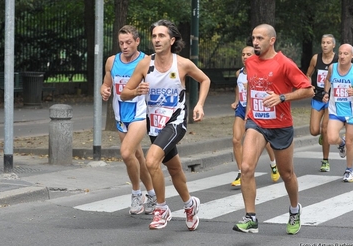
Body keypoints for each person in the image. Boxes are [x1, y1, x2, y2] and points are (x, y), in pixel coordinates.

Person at [121, 19, 210, 230]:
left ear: (172, 40)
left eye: (161, 36)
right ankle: (190, 204)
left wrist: (199, 105)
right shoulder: (145, 64)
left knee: (152, 161)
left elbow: (205, 80)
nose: (156, 40)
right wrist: (136, 92)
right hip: (155, 124)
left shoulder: (182, 64)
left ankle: (161, 208)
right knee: (174, 168)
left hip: (175, 120)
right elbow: (124, 93)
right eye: (154, 36)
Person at [232, 24, 314, 235]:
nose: (255, 42)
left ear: (272, 40)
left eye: (260, 38)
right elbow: (251, 85)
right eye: (253, 38)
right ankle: (251, 217)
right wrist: (249, 109)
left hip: (281, 126)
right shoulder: (250, 62)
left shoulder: (284, 63)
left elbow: (308, 89)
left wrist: (282, 97)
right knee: (247, 167)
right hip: (256, 123)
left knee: (287, 174)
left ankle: (294, 210)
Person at [100, 25, 156, 215]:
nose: (124, 46)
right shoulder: (111, 61)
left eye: (129, 42)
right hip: (121, 114)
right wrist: (104, 90)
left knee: (125, 153)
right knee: (137, 156)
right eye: (121, 43)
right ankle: (152, 194)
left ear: (137, 41)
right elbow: (107, 84)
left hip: (140, 112)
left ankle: (136, 193)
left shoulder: (147, 61)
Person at [231, 46, 280, 187]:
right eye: (243, 54)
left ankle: (273, 164)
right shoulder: (239, 72)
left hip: (256, 108)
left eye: (248, 54)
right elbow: (238, 87)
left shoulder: (259, 72)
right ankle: (241, 172)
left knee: (264, 140)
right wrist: (236, 100)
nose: (245, 57)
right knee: (236, 140)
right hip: (241, 108)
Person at [323, 43, 353, 183]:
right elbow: (328, 80)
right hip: (336, 110)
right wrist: (325, 93)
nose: (341, 56)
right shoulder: (332, 67)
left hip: (352, 111)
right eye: (340, 53)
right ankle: (339, 143)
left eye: (345, 54)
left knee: (350, 142)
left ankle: (349, 169)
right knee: (330, 138)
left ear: (352, 56)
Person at [306, 34, 338, 172]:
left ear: (333, 45)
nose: (325, 45)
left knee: (325, 129)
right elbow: (308, 74)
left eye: (328, 43)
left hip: (332, 99)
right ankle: (322, 137)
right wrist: (309, 86)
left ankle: (325, 161)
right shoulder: (315, 58)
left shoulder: (338, 59)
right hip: (318, 97)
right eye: (323, 42)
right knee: (314, 131)